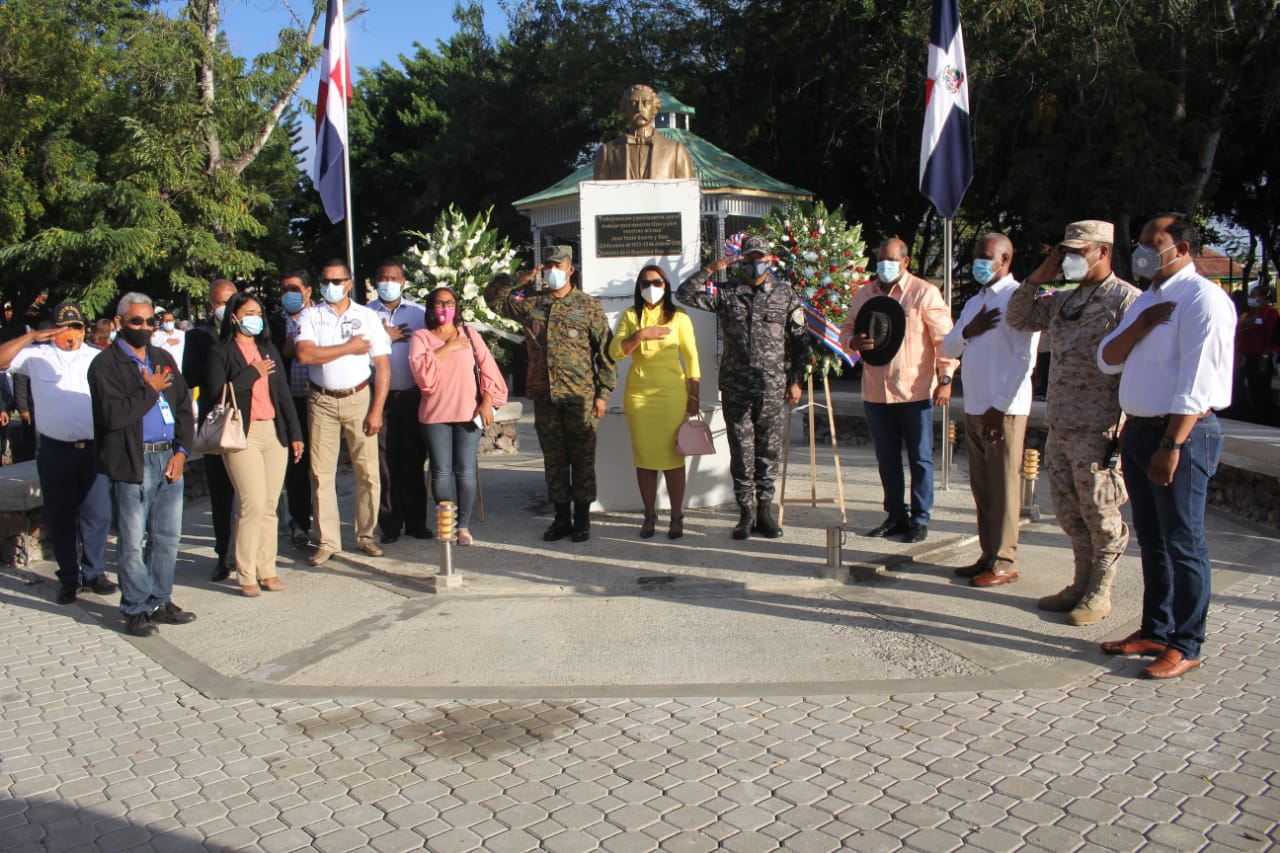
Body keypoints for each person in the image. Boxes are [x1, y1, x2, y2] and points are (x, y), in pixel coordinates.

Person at [1096, 213, 1236, 679]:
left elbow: (1197, 382)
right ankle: (1156, 629)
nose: (1144, 250)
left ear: (1182, 247)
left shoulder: (1203, 300)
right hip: (1138, 430)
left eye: (1155, 242)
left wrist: (1172, 443)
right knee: (1153, 540)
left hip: (1181, 434)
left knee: (1184, 540)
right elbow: (1108, 357)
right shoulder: (1149, 300)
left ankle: (1187, 641)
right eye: (1141, 242)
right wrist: (1139, 327)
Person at [1008, 220, 1140, 624]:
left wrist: (1127, 424)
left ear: (1103, 252)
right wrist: (1038, 276)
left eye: (1077, 252)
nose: (1069, 259)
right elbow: (1019, 316)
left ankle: (1100, 590)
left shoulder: (1126, 299)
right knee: (1069, 511)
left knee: (1101, 513)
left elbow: (1140, 364)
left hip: (1101, 427)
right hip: (1062, 422)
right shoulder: (1063, 299)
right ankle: (1080, 581)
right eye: (1065, 252)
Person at [677, 235, 810, 539]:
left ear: (769, 260)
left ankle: (765, 510)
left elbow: (801, 341)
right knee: (741, 450)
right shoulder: (727, 293)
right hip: (736, 386)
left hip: (772, 386)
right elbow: (685, 294)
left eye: (759, 258)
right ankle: (745, 512)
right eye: (748, 258)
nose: (754, 264)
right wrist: (712, 268)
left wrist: (796, 380)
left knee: (768, 450)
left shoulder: (785, 295)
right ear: (741, 260)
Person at [484, 245, 615, 542]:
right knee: (554, 461)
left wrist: (603, 393)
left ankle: (582, 520)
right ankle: (561, 518)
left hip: (579, 396)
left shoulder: (588, 306)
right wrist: (519, 279)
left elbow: (605, 352)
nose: (553, 271)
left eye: (559, 266)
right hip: (545, 397)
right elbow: (493, 300)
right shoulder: (531, 304)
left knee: (582, 460)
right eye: (548, 266)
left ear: (571, 270)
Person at [88, 293, 196, 637]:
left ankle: (159, 601)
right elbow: (113, 416)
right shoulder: (106, 366)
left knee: (167, 537)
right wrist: (147, 389)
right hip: (134, 460)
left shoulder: (162, 357)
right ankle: (135, 609)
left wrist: (182, 452)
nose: (146, 327)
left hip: (169, 457)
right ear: (119, 323)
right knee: (133, 541)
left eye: (150, 321)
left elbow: (181, 408)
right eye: (137, 321)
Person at [839, 238, 956, 543]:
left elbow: (945, 340)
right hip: (876, 392)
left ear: (905, 262)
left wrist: (945, 380)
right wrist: (853, 342)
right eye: (880, 259)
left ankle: (919, 518)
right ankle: (895, 515)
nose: (883, 265)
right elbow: (846, 328)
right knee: (887, 458)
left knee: (919, 458)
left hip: (914, 391)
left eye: (890, 259)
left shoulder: (924, 293)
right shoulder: (865, 293)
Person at [941, 233, 1039, 587]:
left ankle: (1004, 560)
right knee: (983, 488)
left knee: (1004, 487)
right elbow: (949, 346)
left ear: (1005, 260)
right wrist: (970, 329)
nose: (978, 263)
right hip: (976, 405)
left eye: (986, 257)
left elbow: (1024, 360)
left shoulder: (1018, 300)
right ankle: (987, 553)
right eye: (976, 257)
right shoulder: (974, 303)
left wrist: (1000, 407)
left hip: (1004, 410)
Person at [0, 303, 115, 605]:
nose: (70, 335)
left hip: (92, 448)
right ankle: (68, 577)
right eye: (63, 328)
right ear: (52, 331)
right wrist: (33, 336)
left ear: (84, 330)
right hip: (55, 450)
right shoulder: (37, 356)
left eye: (75, 328)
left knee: (97, 514)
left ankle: (94, 572)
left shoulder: (97, 357)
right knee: (61, 516)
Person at [295, 259, 392, 565]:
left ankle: (365, 535)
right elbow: (305, 354)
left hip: (359, 397)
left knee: (368, 472)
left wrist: (377, 409)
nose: (330, 287)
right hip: (321, 400)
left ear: (349, 284)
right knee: (321, 474)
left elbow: (383, 366)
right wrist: (350, 347)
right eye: (325, 281)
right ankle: (327, 541)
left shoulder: (366, 316)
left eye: (336, 281)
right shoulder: (311, 315)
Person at [207, 293, 304, 597]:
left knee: (271, 504)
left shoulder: (268, 348)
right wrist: (251, 373)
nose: (255, 318)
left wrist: (295, 433)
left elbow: (284, 394)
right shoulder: (220, 352)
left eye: (259, 313)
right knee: (252, 502)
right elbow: (216, 393)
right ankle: (245, 571)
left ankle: (267, 568)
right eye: (248, 312)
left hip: (273, 432)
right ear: (234, 317)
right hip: (241, 434)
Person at [408, 286, 508, 546]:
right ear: (430, 307)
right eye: (439, 303)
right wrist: (448, 348)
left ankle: (462, 526)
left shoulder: (470, 333)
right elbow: (422, 377)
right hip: (434, 415)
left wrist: (487, 400)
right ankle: (447, 523)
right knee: (441, 472)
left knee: (465, 471)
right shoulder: (421, 337)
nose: (444, 308)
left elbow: (489, 371)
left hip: (468, 413)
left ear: (457, 306)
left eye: (449, 302)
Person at [610, 265, 701, 539]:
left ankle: (676, 516)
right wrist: (639, 336)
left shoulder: (679, 317)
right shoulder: (630, 315)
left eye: (658, 282)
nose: (652, 287)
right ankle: (649, 515)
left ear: (666, 285)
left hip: (672, 394)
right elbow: (615, 352)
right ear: (639, 288)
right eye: (646, 283)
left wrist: (694, 395)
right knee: (645, 458)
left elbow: (692, 357)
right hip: (639, 396)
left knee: (674, 457)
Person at [368, 260, 430, 543]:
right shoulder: (364, 314)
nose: (388, 282)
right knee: (384, 463)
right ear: (374, 281)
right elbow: (354, 352)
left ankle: (416, 521)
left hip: (413, 396)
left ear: (403, 282)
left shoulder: (419, 314)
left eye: (394, 278)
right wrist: (384, 338)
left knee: (414, 460)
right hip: (378, 398)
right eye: (383, 277)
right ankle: (389, 523)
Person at [183, 278, 238, 581]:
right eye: (221, 302)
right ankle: (223, 556)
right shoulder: (199, 337)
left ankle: (249, 552)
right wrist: (215, 359)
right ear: (210, 305)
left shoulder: (250, 330)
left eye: (232, 300)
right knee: (221, 491)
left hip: (249, 419)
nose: (226, 307)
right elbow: (188, 378)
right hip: (217, 421)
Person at [268, 270, 316, 547]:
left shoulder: (321, 317)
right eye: (285, 288)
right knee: (296, 465)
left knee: (320, 466)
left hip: (319, 400)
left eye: (295, 288)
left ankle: (323, 523)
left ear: (308, 291)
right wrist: (293, 336)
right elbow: (274, 356)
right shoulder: (273, 323)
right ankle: (299, 522)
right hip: (289, 403)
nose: (289, 294)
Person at [593, 83, 695, 181]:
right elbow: (600, 194)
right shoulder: (607, 152)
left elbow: (687, 194)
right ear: (625, 109)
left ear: (654, 108)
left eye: (646, 103)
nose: (639, 109)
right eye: (634, 103)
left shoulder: (676, 151)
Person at [1237, 285, 1278, 424]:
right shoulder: (1249, 314)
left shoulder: (1270, 313)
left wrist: (1265, 358)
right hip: (1247, 357)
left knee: (1263, 390)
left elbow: (1271, 337)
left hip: (1261, 358)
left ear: (1263, 297)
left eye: (1254, 296)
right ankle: (1256, 416)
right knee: (1253, 389)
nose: (1252, 299)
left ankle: (1266, 419)